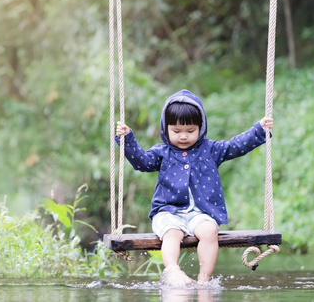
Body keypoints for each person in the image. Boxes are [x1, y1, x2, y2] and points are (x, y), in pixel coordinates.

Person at [115, 89, 273, 286]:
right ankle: (172, 269)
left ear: (201, 127)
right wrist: (127, 140)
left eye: (190, 131)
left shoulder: (211, 150)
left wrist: (259, 130)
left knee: (209, 231)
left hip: (201, 212)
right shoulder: (162, 152)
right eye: (176, 131)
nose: (183, 136)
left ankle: (204, 279)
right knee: (172, 232)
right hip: (168, 211)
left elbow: (235, 146)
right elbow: (141, 162)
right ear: (166, 129)